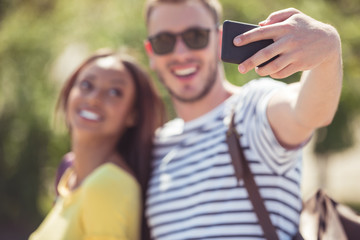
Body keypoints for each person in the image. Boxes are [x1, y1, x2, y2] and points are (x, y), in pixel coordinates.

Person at [143, 0, 342, 239]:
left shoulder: (252, 107)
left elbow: (309, 112)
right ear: (151, 53)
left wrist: (328, 50)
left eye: (195, 36)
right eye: (164, 42)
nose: (181, 52)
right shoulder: (154, 146)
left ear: (218, 40)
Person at [29, 50, 166, 240]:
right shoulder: (70, 179)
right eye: (86, 85)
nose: (94, 98)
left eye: (114, 92)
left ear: (132, 115)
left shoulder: (107, 185)